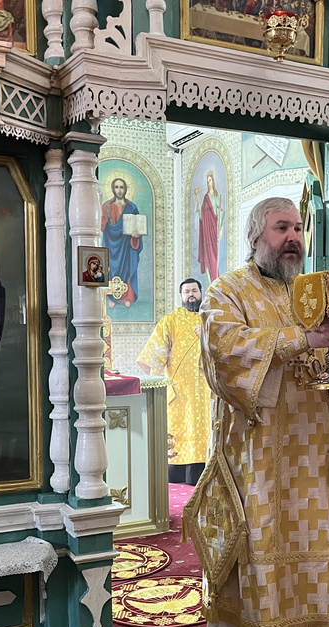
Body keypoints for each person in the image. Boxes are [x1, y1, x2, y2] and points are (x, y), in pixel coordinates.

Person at [185, 197, 329, 627]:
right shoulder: (227, 292)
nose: (292, 237)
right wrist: (299, 340)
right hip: (258, 462)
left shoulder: (313, 294)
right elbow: (225, 354)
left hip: (313, 459)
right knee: (262, 562)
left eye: (297, 228)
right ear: (255, 237)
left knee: (315, 567)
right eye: (280, 227)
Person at [137, 278, 212, 486]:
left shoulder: (211, 320)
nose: (191, 294)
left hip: (207, 387)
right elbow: (154, 354)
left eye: (194, 290)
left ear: (201, 293)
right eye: (187, 291)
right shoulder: (171, 320)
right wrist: (158, 382)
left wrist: (208, 333)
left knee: (206, 426)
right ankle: (178, 473)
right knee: (180, 428)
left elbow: (226, 348)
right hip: (180, 390)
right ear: (181, 296)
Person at [101, 177, 143, 308]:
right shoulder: (106, 206)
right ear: (113, 189)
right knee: (111, 270)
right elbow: (101, 226)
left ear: (125, 189)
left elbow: (138, 226)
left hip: (126, 245)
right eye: (116, 187)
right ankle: (112, 297)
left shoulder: (132, 207)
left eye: (121, 187)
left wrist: (136, 236)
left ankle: (127, 296)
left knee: (127, 268)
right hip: (111, 243)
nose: (119, 190)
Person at [197, 171, 224, 284]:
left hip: (214, 228)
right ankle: (211, 282)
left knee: (214, 255)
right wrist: (197, 202)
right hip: (207, 231)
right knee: (207, 256)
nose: (209, 183)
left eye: (210, 180)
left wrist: (221, 229)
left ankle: (216, 279)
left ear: (213, 181)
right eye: (207, 181)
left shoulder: (217, 196)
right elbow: (202, 215)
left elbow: (220, 212)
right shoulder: (206, 197)